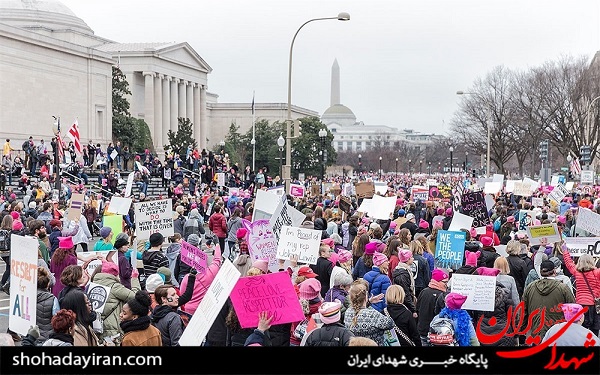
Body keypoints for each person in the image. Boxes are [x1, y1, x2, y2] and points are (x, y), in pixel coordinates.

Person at [522, 259, 576, 340]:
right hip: (557, 333)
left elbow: (523, 310)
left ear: (540, 272)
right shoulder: (563, 288)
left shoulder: (530, 287)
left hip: (536, 332)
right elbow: (572, 310)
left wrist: (521, 328)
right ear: (554, 271)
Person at [90, 261, 140, 343]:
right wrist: (134, 279)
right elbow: (136, 297)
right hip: (113, 329)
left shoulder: (93, 285)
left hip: (98, 326)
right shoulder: (114, 286)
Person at [344, 281, 394, 346]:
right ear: (366, 297)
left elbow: (359, 310)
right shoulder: (372, 314)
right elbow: (390, 324)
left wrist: (368, 302)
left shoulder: (348, 312)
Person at [562, 250, 600, 336]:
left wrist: (565, 250)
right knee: (594, 329)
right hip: (593, 305)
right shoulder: (597, 273)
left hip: (579, 305)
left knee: (580, 329)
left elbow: (569, 263)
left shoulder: (576, 272)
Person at [417, 268, 449, 346]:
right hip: (435, 332)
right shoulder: (442, 296)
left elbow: (417, 308)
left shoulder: (424, 291)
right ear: (437, 281)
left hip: (422, 330)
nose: (446, 284)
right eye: (444, 282)